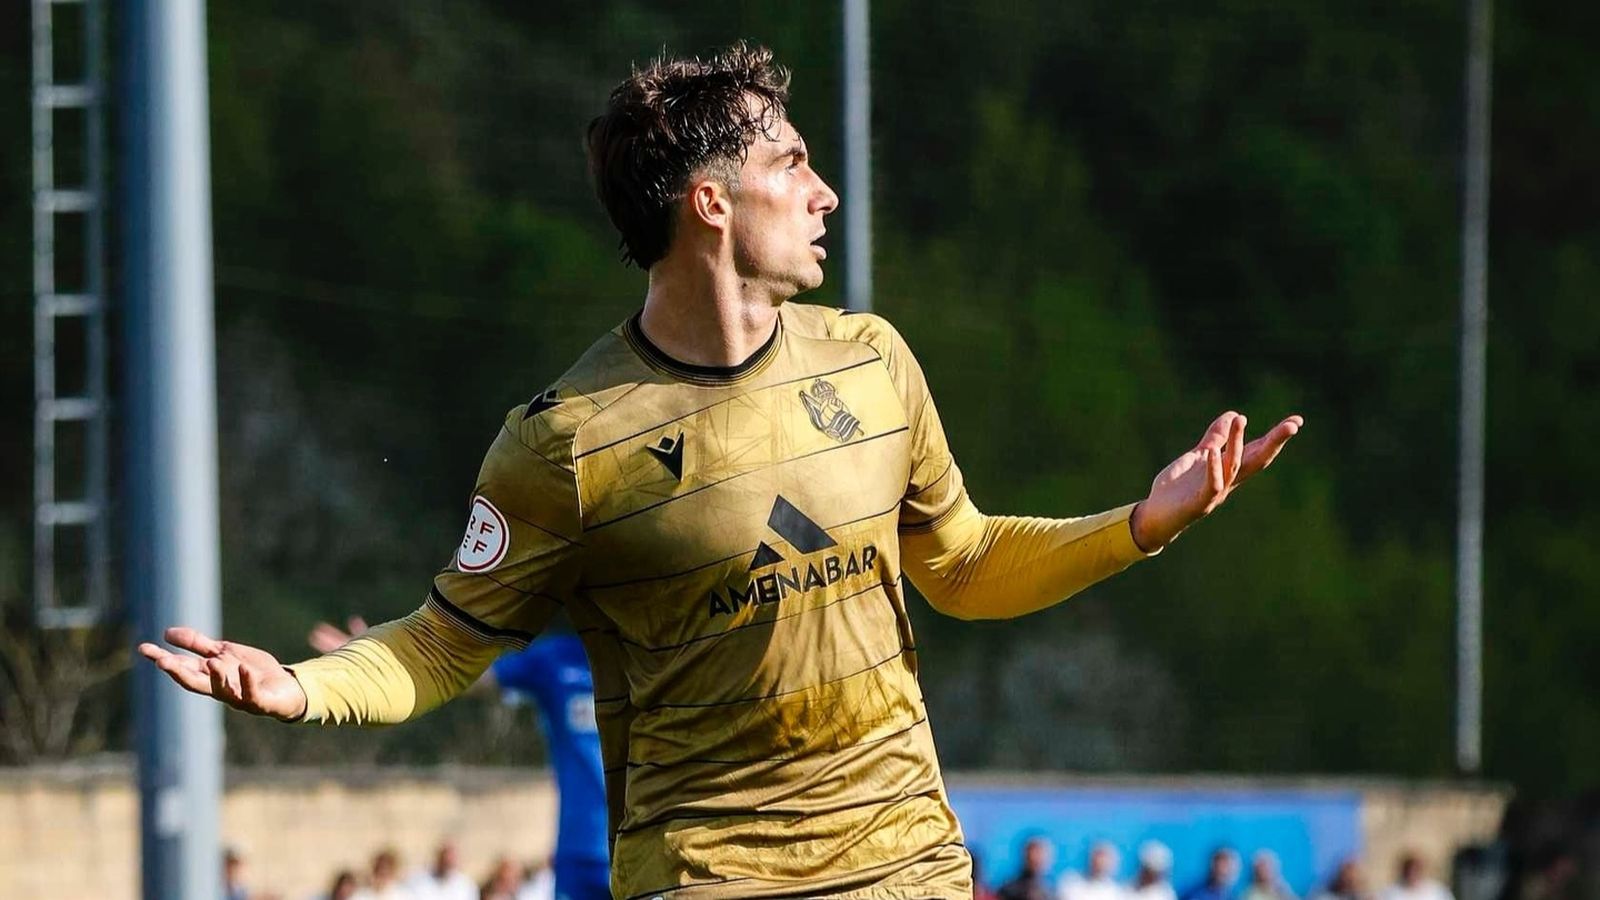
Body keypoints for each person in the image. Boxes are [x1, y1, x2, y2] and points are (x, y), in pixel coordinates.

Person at [138, 41, 1304, 899]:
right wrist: (299, 686)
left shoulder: (873, 360)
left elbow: (962, 564)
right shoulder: (565, 444)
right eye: (791, 165)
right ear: (708, 202)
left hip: (908, 863)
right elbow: (443, 644)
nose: (824, 192)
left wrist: (1143, 523)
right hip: (709, 882)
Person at [308, 621, 609, 900]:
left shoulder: (651, 657)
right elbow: (466, 677)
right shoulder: (555, 660)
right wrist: (385, 661)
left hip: (644, 842)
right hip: (578, 852)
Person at [405, 840, 476, 900]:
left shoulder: (465, 886)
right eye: (444, 860)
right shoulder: (418, 881)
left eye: (450, 861)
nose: (447, 863)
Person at [1060, 840, 1128, 900]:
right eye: (1099, 857)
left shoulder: (1116, 893)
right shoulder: (1071, 883)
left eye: (1105, 859)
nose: (1101, 862)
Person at [1378, 853, 1454, 900]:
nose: (1412, 874)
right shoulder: (1391, 893)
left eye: (1415, 870)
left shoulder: (1437, 891)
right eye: (1409, 871)